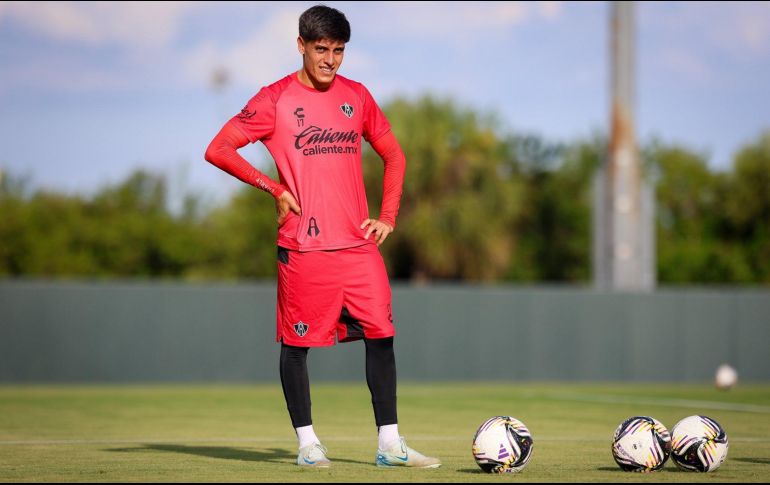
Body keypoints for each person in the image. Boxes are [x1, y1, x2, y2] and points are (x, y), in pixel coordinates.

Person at [204, 5, 440, 469]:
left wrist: (387, 216)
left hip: (358, 246)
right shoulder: (273, 99)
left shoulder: (358, 95)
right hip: (303, 247)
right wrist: (272, 187)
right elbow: (218, 148)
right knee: (297, 346)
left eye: (338, 50)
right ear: (301, 46)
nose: (330, 60)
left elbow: (395, 156)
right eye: (321, 49)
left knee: (382, 334)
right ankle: (307, 443)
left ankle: (390, 445)